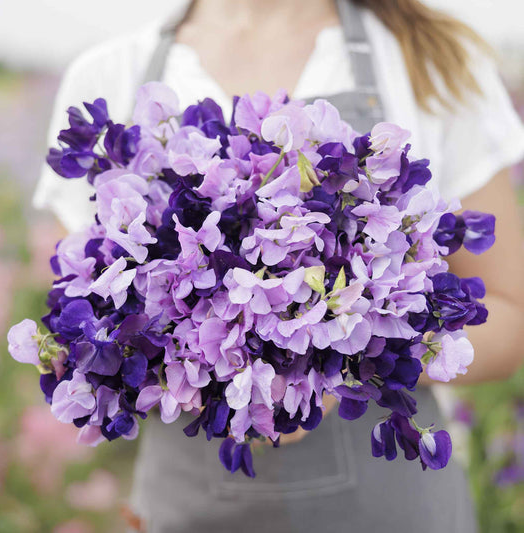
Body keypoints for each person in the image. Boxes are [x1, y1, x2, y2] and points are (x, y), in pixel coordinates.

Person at [34, 1, 524, 531]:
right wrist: (199, 371)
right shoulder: (113, 69)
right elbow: (81, 319)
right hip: (186, 513)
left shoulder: (429, 60)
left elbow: (512, 314)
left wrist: (339, 362)